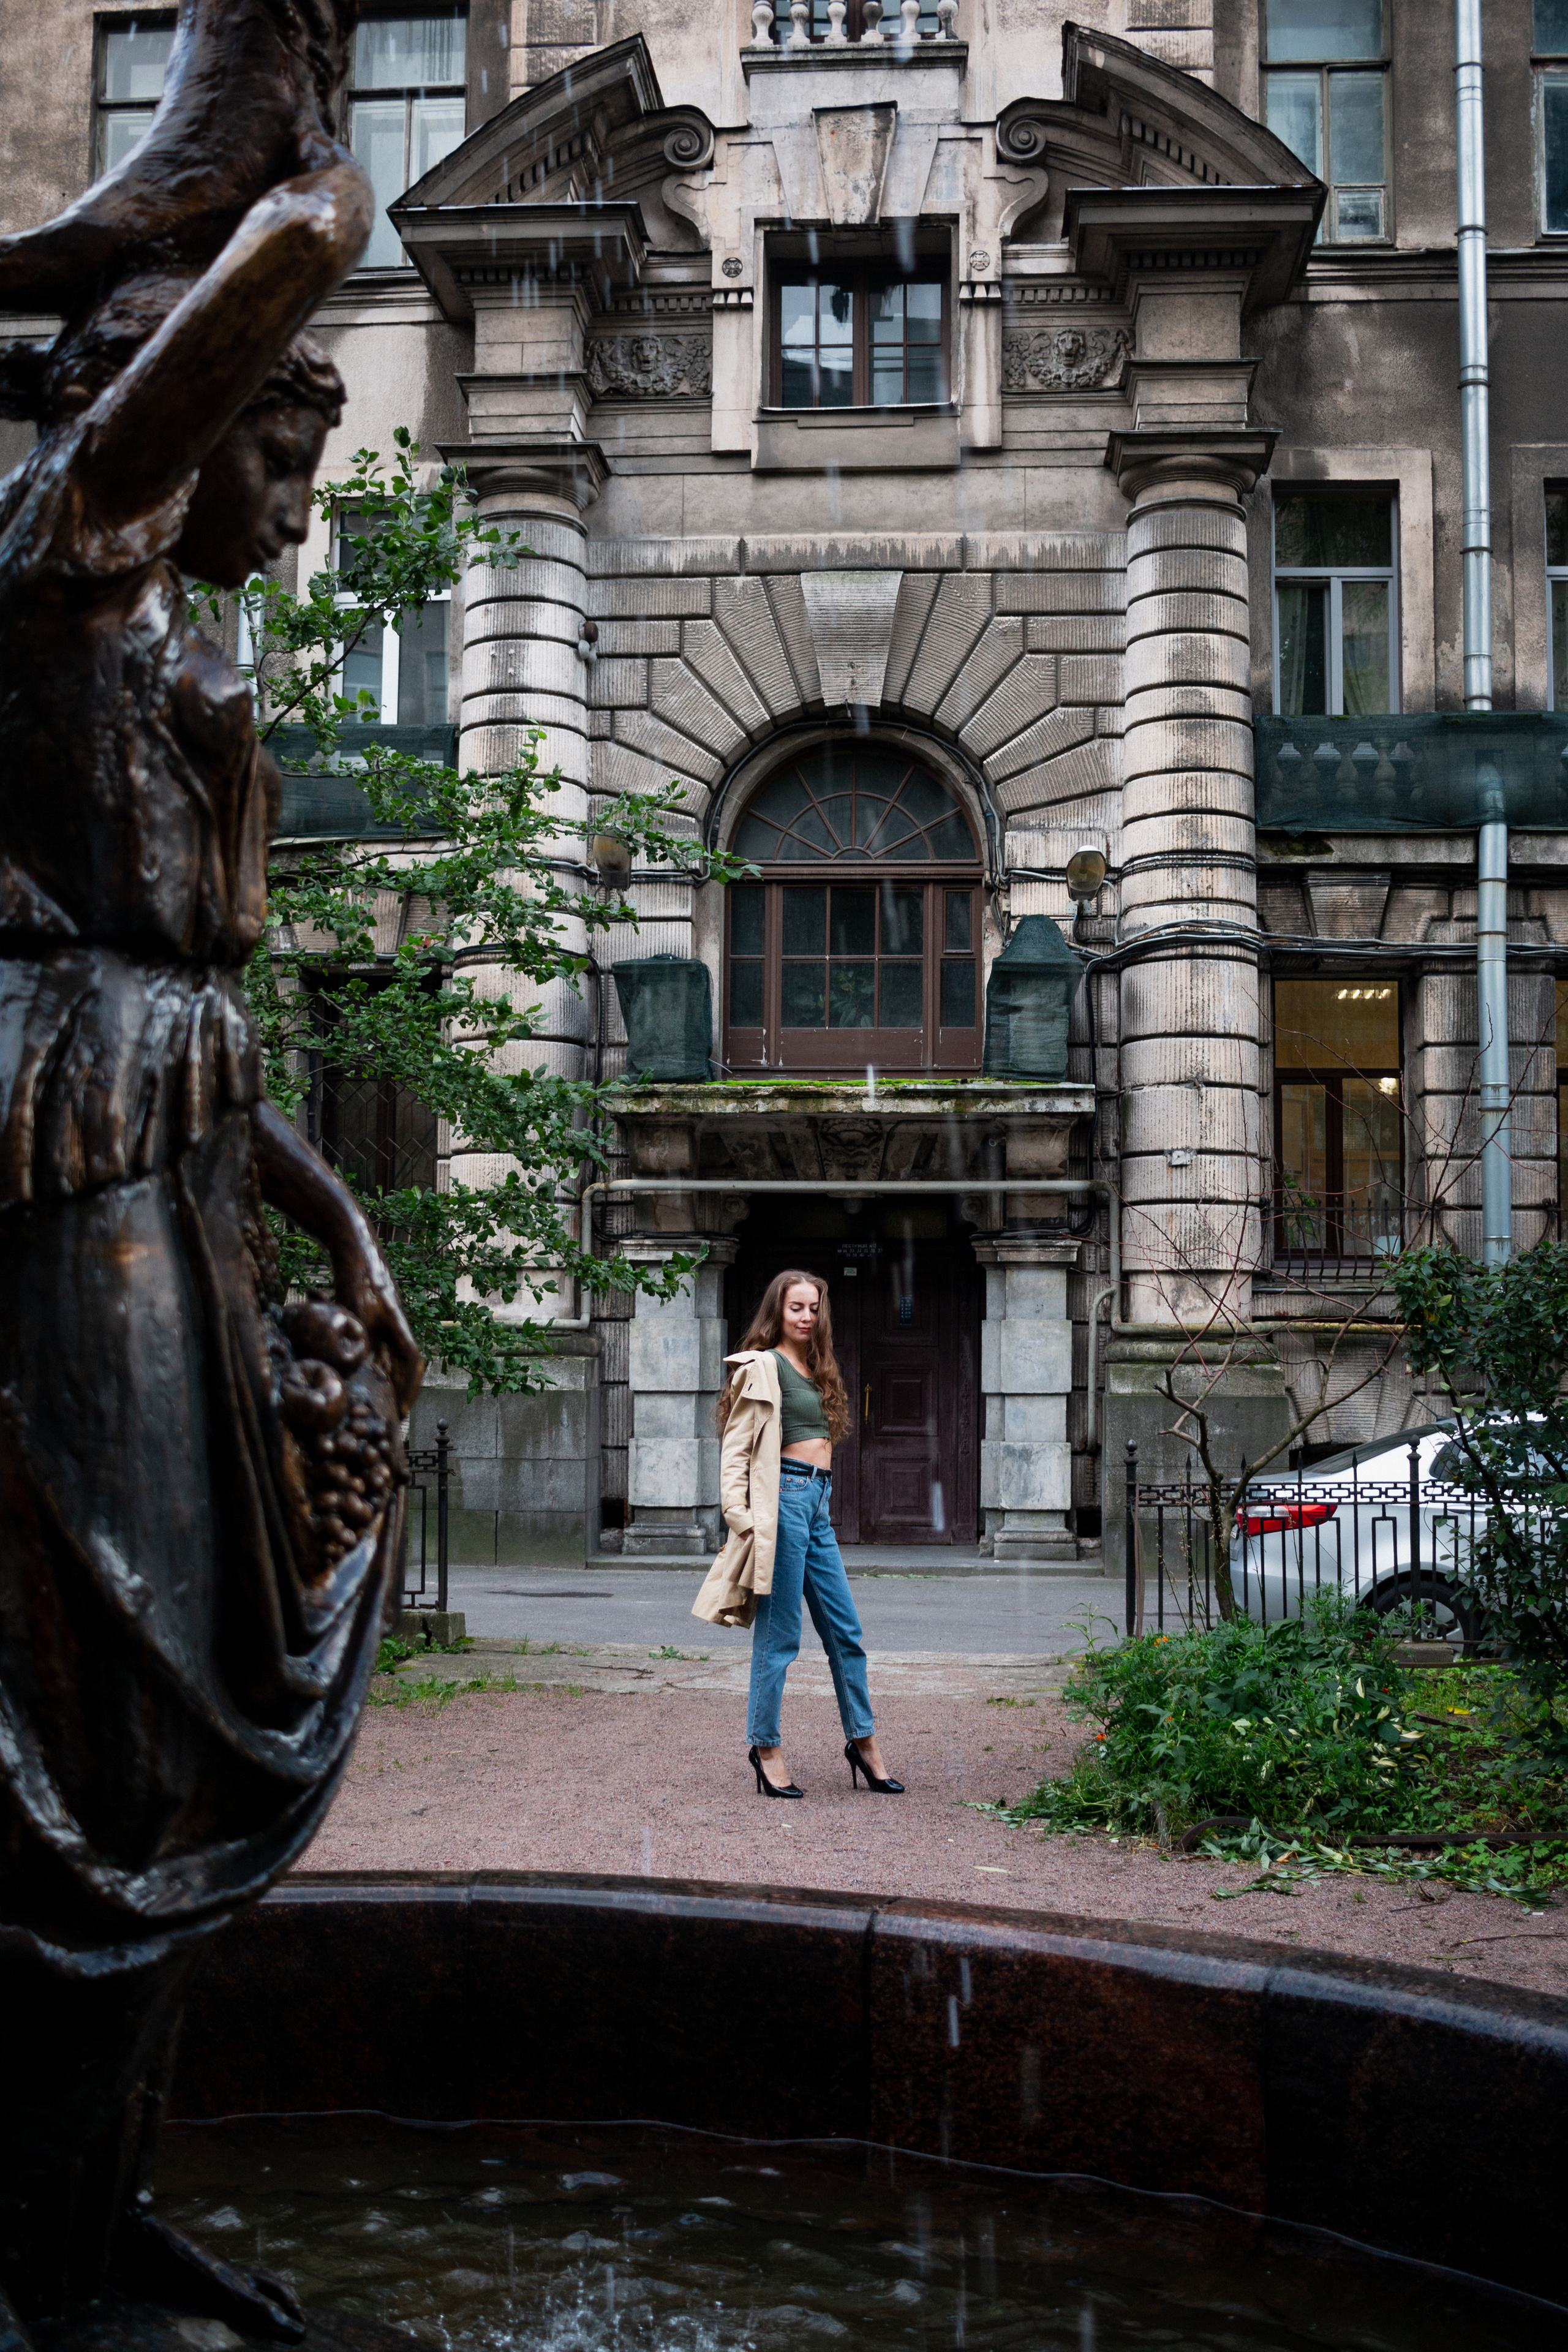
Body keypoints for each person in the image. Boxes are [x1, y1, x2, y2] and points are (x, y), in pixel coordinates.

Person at [0, 4, 423, 2335]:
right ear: (150, 409)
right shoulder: (55, 544)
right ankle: (34, 2253)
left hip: (149, 1146)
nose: (306, 465)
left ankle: (81, 2222)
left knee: (147, 1752)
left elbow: (199, 1018)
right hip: (58, 1180)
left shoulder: (162, 615)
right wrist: (280, 136)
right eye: (283, 420)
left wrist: (335, 1215)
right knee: (110, 1742)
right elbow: (292, 242)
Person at [695, 1270, 903, 1800]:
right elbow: (736, 1447)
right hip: (782, 1504)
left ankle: (863, 1740)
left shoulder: (815, 1368)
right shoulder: (762, 1366)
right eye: (796, 1308)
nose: (806, 1316)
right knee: (780, 1637)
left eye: (813, 1308)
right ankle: (765, 1749)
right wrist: (740, 1519)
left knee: (845, 1633)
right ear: (778, 1311)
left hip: (817, 1505)